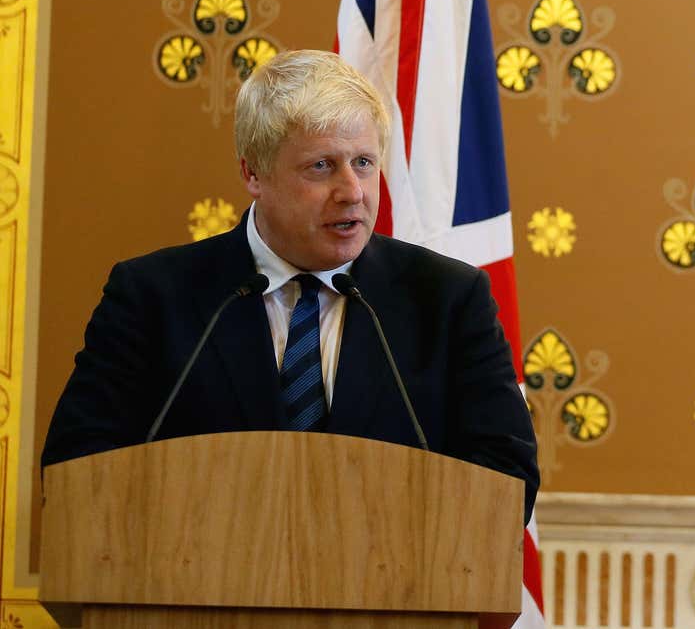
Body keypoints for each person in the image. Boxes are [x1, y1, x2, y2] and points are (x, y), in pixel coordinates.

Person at [42, 50, 538, 521]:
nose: (352, 192)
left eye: (364, 163)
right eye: (321, 166)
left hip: (394, 600)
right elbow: (78, 466)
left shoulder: (449, 298)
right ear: (253, 173)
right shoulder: (153, 297)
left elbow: (507, 480)